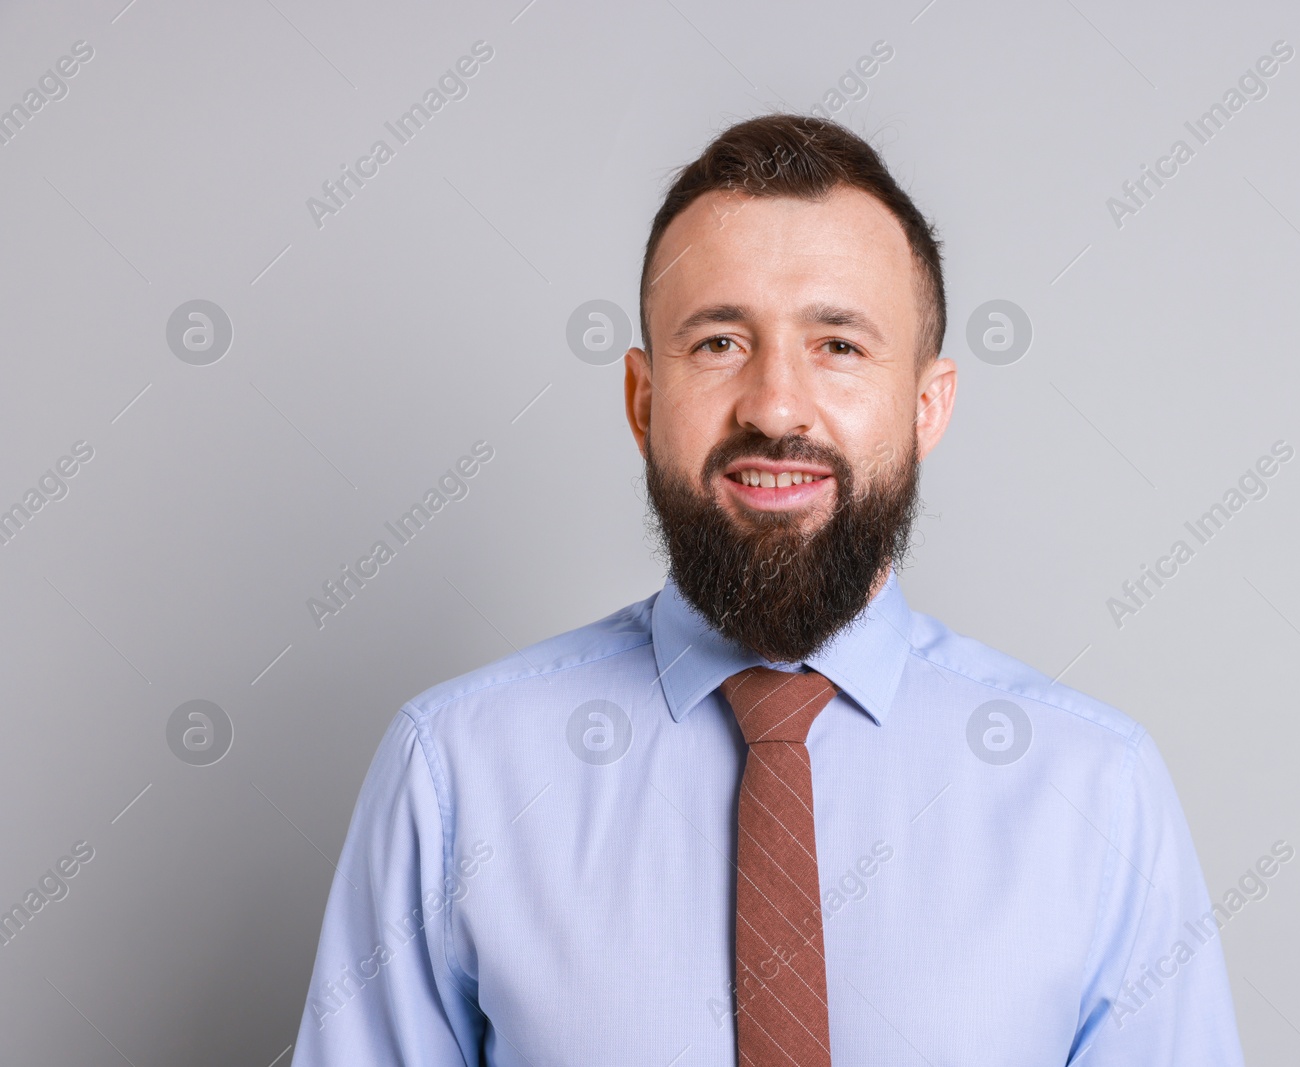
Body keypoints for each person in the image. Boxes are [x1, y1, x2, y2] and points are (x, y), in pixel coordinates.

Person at [291, 113, 1246, 1066]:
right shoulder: (457, 775)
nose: (775, 405)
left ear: (926, 406)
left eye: (838, 344)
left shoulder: (1094, 790)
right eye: (717, 343)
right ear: (642, 401)